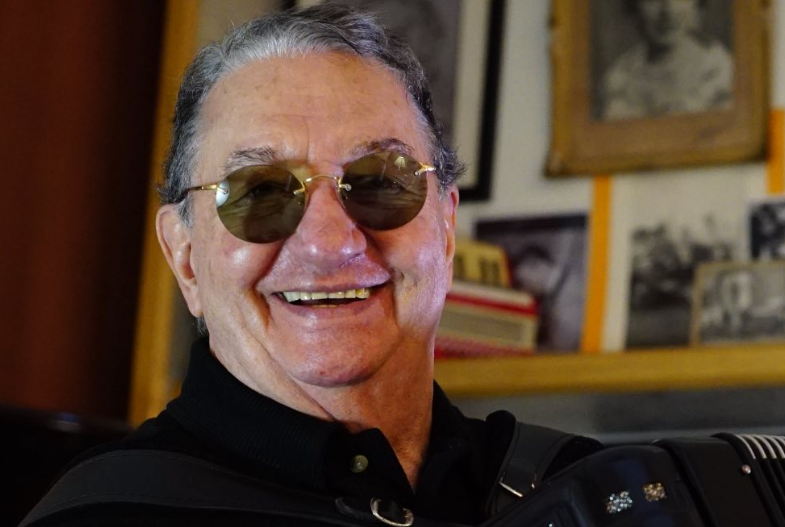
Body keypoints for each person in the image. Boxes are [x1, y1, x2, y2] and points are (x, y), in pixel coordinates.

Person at [23, 5, 601, 526]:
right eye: (260, 191)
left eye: (380, 181)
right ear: (186, 258)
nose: (328, 243)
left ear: (446, 230)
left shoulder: (589, 495)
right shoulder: (106, 515)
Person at [601, 0, 733, 120]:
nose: (668, 11)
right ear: (634, 7)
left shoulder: (721, 73)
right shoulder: (618, 81)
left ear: (697, 4)